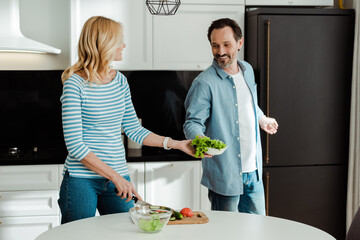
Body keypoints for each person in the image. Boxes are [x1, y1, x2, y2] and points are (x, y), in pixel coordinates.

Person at [58, 16, 196, 224]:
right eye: (119, 41)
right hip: (82, 180)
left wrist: (176, 144)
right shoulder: (74, 84)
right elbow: (76, 146)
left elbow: (134, 129)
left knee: (125, 233)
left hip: (118, 178)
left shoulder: (120, 80)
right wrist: (115, 177)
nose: (124, 45)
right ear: (104, 44)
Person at [183, 18, 279, 215]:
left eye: (226, 44)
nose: (220, 52)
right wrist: (200, 139)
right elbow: (192, 123)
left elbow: (249, 105)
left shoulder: (248, 71)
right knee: (226, 233)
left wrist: (262, 118)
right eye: (215, 45)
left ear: (239, 43)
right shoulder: (204, 83)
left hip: (254, 172)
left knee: (257, 231)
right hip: (225, 174)